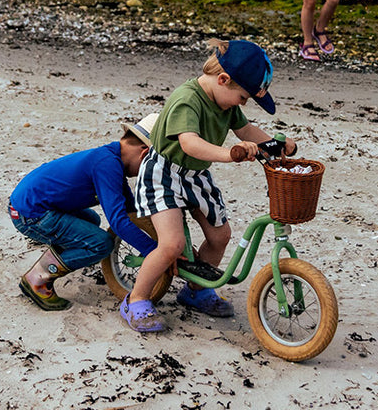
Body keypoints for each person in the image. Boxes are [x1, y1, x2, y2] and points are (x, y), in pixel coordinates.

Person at [121, 39, 295, 334]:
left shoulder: (224, 101)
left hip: (196, 175)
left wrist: (275, 143)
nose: (243, 103)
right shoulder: (187, 99)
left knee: (220, 236)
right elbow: (188, 143)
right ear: (224, 80)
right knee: (172, 244)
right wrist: (229, 154)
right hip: (164, 173)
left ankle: (195, 291)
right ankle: (135, 299)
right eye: (243, 97)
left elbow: (245, 129)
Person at [10, 115, 158, 311]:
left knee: (91, 219)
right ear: (144, 154)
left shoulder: (110, 158)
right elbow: (119, 222)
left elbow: (130, 209)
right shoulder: (107, 165)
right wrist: (154, 252)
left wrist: (160, 239)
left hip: (29, 205)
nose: (143, 173)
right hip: (31, 214)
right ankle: (37, 279)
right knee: (101, 243)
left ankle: (54, 256)